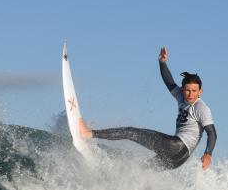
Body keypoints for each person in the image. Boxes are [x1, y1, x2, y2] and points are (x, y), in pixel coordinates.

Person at [79, 46, 217, 170]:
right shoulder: (181, 97)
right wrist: (162, 63)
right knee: (143, 171)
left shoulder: (201, 107)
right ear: (182, 90)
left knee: (130, 132)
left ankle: (89, 133)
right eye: (187, 90)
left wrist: (208, 154)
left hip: (176, 147)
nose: (191, 94)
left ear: (200, 92)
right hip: (179, 159)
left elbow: (212, 133)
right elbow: (169, 82)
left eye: (194, 91)